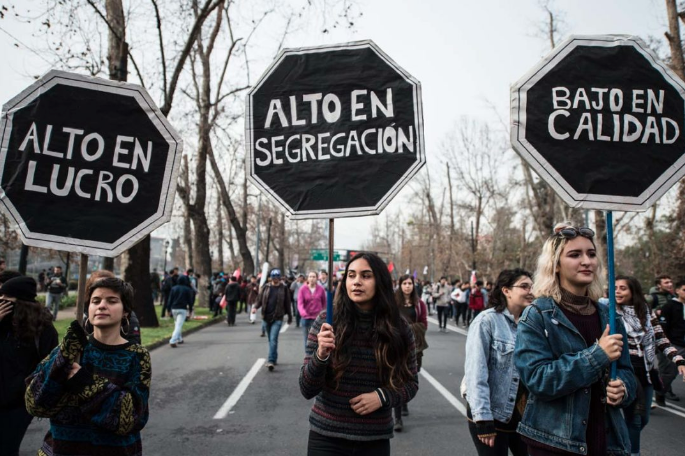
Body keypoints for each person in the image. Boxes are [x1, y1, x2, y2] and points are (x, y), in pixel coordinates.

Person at [514, 223, 635, 456]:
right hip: (554, 444)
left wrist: (623, 389)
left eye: (591, 254)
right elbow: (538, 380)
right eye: (574, 254)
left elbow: (627, 372)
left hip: (607, 443)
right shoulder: (538, 315)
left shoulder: (609, 316)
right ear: (556, 265)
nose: (586, 261)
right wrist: (597, 355)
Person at [300, 252, 418, 455]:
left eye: (366, 276)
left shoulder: (399, 328)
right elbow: (306, 388)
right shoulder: (326, 323)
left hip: (374, 439)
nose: (356, 282)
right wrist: (321, 355)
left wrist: (382, 397)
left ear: (379, 280)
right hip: (326, 437)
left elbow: (410, 384)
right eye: (351, 275)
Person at [25, 277, 150, 456]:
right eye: (95, 301)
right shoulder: (69, 350)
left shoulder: (137, 355)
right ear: (88, 309)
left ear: (125, 312)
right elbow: (35, 405)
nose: (101, 305)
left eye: (112, 301)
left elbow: (130, 419)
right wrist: (62, 359)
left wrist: (84, 383)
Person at [462, 269, 533, 456]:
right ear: (506, 291)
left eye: (532, 287)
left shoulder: (534, 324)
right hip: (492, 415)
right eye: (524, 286)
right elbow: (476, 373)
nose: (530, 291)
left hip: (524, 417)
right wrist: (483, 419)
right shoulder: (486, 322)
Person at [615, 275, 685, 455]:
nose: (618, 291)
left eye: (623, 288)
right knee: (635, 419)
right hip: (624, 372)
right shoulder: (610, 312)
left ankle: (622, 438)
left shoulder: (645, 311)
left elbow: (661, 339)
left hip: (646, 370)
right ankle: (632, 452)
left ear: (633, 291)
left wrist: (678, 360)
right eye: (615, 288)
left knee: (643, 418)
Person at [0, 276, 58, 456]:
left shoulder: (44, 330)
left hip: (20, 402)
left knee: (6, 447)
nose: (1, 303)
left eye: (6, 300)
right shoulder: (3, 324)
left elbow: (51, 365)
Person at [392, 274, 427, 432]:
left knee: (410, 375)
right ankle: (397, 418)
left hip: (413, 346)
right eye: (404, 283)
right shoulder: (393, 301)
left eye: (410, 283)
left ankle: (404, 400)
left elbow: (424, 323)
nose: (407, 286)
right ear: (400, 285)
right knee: (396, 378)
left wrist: (412, 329)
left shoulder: (419, 304)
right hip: (396, 345)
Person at [252, 269, 292, 370]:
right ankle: (274, 358)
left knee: (273, 339)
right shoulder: (266, 287)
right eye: (273, 277)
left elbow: (287, 303)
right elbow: (259, 299)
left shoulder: (284, 288)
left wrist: (290, 316)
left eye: (277, 276)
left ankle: (270, 360)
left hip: (278, 317)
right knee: (270, 339)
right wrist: (255, 307)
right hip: (266, 317)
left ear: (280, 277)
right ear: (271, 278)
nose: (275, 279)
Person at [657, 278, 685, 406]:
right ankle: (660, 392)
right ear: (678, 291)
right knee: (670, 372)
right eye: (684, 290)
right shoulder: (669, 306)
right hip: (674, 344)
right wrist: (665, 346)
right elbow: (663, 327)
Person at [298, 271, 327, 350]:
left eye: (314, 277)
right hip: (306, 318)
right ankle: (308, 357)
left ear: (317, 278)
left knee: (316, 339)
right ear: (308, 278)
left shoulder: (321, 289)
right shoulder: (302, 289)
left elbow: (324, 303)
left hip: (317, 318)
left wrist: (322, 314)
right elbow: (300, 303)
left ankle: (316, 357)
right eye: (310, 276)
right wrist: (303, 313)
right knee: (307, 340)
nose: (312, 278)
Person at [168, 275, 196, 347]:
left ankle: (179, 338)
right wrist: (190, 310)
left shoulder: (173, 288)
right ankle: (173, 340)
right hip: (182, 308)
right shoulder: (187, 289)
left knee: (176, 323)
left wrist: (168, 309)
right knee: (179, 325)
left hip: (174, 308)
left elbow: (170, 300)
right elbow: (190, 301)